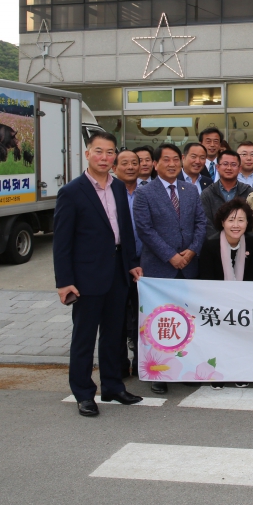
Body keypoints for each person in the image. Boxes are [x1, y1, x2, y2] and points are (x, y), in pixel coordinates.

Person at [54, 131, 143, 417]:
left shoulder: (118, 187)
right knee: (84, 337)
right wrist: (64, 281)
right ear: (88, 154)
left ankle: (113, 386)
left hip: (117, 272)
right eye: (99, 152)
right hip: (86, 277)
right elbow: (62, 242)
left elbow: (125, 231)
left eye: (109, 152)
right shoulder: (72, 191)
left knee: (113, 335)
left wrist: (131, 262)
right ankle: (83, 392)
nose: (105, 157)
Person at [132, 142, 206, 395]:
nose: (172, 164)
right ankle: (159, 373)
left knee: (186, 320)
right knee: (160, 321)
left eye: (176, 159)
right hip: (159, 269)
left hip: (189, 267)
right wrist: (171, 256)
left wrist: (192, 250)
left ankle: (185, 367)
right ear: (154, 164)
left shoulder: (190, 190)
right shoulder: (145, 193)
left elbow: (200, 222)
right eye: (166, 160)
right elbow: (145, 229)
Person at [112, 149, 143, 378]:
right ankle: (120, 364)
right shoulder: (109, 192)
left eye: (135, 162)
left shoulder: (147, 191)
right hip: (118, 261)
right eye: (125, 163)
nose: (131, 167)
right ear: (115, 167)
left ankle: (142, 362)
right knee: (118, 316)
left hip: (145, 262)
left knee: (143, 315)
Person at [197, 199, 253, 281]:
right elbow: (206, 278)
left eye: (241, 220)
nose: (236, 225)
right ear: (222, 222)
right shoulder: (210, 245)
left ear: (247, 222)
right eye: (231, 220)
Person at [200, 149, 253, 240]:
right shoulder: (207, 193)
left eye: (233, 165)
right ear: (217, 167)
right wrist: (220, 240)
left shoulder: (248, 191)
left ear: (239, 168)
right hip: (214, 245)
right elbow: (205, 222)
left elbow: (251, 220)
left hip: (243, 243)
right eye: (225, 164)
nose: (229, 168)